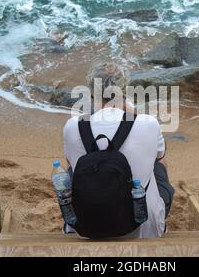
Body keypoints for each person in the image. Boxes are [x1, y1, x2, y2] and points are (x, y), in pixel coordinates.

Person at [63, 63, 174, 238]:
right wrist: (134, 112)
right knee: (159, 164)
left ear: (92, 93)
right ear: (125, 91)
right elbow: (160, 154)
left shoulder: (72, 126)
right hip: (144, 228)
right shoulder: (148, 123)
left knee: (71, 169)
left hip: (87, 227)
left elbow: (71, 164)